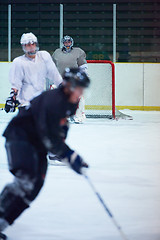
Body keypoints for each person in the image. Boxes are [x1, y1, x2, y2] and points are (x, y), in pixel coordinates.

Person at [0, 68, 90, 240]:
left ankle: (3, 222)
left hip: (36, 143)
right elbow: (49, 135)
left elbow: (59, 132)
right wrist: (69, 156)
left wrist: (68, 153)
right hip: (20, 138)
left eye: (82, 89)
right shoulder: (52, 101)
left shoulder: (70, 103)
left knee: (35, 185)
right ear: (68, 86)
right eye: (79, 88)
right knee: (26, 180)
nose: (81, 93)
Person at [4, 32, 62, 114]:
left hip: (40, 104)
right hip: (25, 104)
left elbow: (55, 75)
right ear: (24, 46)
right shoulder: (18, 62)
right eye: (28, 45)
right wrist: (12, 98)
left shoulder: (44, 56)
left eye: (33, 44)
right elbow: (16, 84)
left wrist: (63, 86)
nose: (31, 47)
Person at [52, 35, 87, 124]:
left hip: (74, 80)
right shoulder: (57, 52)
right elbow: (52, 66)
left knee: (79, 97)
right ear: (63, 43)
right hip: (60, 80)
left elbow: (83, 66)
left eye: (69, 42)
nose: (67, 44)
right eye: (65, 42)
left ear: (72, 42)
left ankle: (78, 116)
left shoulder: (78, 51)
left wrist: (83, 77)